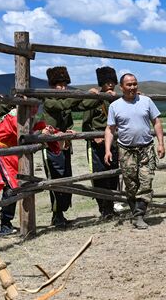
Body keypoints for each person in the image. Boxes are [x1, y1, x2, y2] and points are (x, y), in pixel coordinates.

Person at [104, 73, 165, 229]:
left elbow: (156, 122)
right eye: (129, 84)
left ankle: (138, 216)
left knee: (146, 181)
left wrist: (161, 143)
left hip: (146, 148)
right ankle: (136, 213)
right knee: (131, 185)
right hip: (126, 150)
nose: (132, 87)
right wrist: (107, 150)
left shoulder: (146, 101)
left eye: (134, 84)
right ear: (121, 87)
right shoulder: (115, 106)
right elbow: (110, 129)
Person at [42, 66, 101, 227]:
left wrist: (97, 97)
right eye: (58, 85)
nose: (62, 88)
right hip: (51, 146)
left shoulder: (66, 99)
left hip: (65, 145)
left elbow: (83, 105)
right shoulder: (48, 99)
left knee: (66, 177)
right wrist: (83, 94)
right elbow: (65, 105)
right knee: (55, 178)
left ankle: (61, 213)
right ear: (52, 86)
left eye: (64, 84)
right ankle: (57, 214)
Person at [0, 106, 46, 235]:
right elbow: (24, 136)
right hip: (4, 153)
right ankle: (4, 224)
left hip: (12, 154)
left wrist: (44, 128)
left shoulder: (23, 115)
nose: (35, 109)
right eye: (33, 107)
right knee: (10, 189)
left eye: (36, 106)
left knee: (15, 187)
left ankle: (7, 223)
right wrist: (41, 132)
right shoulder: (15, 116)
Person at [82, 66, 120, 220]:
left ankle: (110, 208)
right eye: (107, 82)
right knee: (99, 176)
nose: (110, 85)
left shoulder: (117, 100)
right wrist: (93, 137)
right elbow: (85, 124)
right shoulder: (94, 100)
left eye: (112, 82)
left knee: (113, 175)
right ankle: (103, 208)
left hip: (114, 143)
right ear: (101, 83)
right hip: (97, 145)